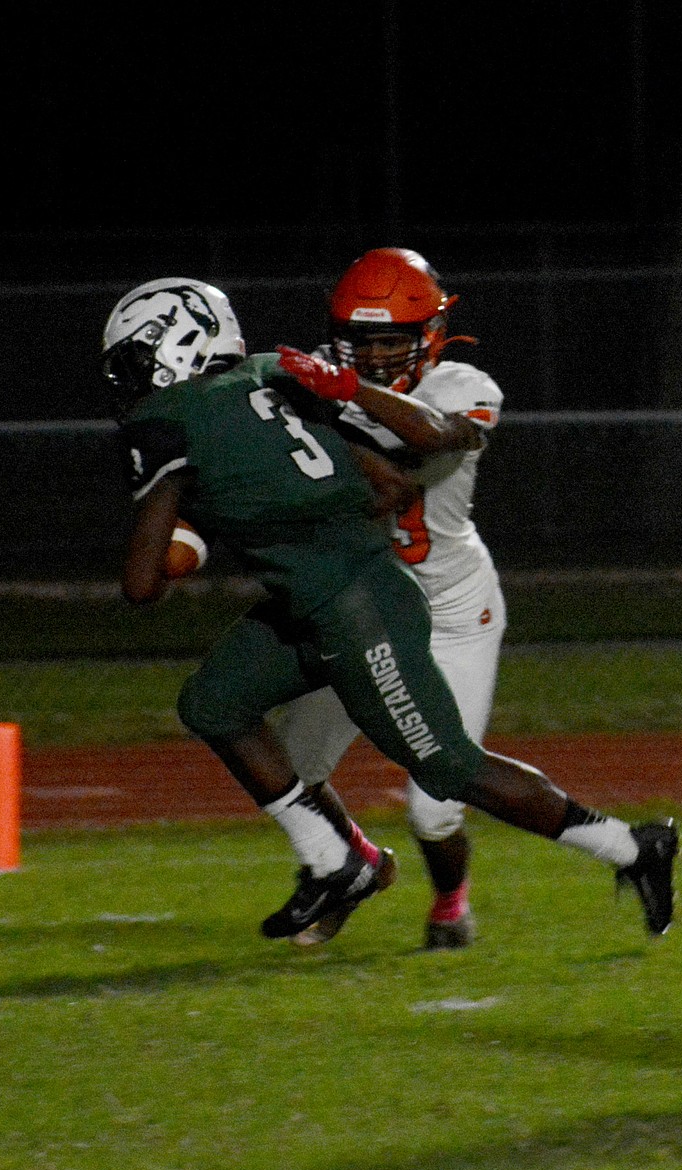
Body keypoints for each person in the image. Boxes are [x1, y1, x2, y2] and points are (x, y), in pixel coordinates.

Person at [103, 275, 679, 944]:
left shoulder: (183, 416)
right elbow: (390, 486)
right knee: (214, 703)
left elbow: (141, 586)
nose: (375, 353)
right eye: (362, 340)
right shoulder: (272, 374)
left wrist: (242, 508)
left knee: (447, 771)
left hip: (380, 604)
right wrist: (280, 515)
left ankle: (632, 846)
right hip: (333, 593)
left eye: (132, 361)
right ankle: (340, 862)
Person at [267, 247, 504, 949]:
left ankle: (450, 900)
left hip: (451, 609)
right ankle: (356, 865)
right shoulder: (316, 378)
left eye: (390, 340)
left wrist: (342, 394)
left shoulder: (462, 385)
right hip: (361, 602)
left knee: (436, 805)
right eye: (360, 340)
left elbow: (431, 438)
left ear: (430, 334)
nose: (373, 355)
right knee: (291, 768)